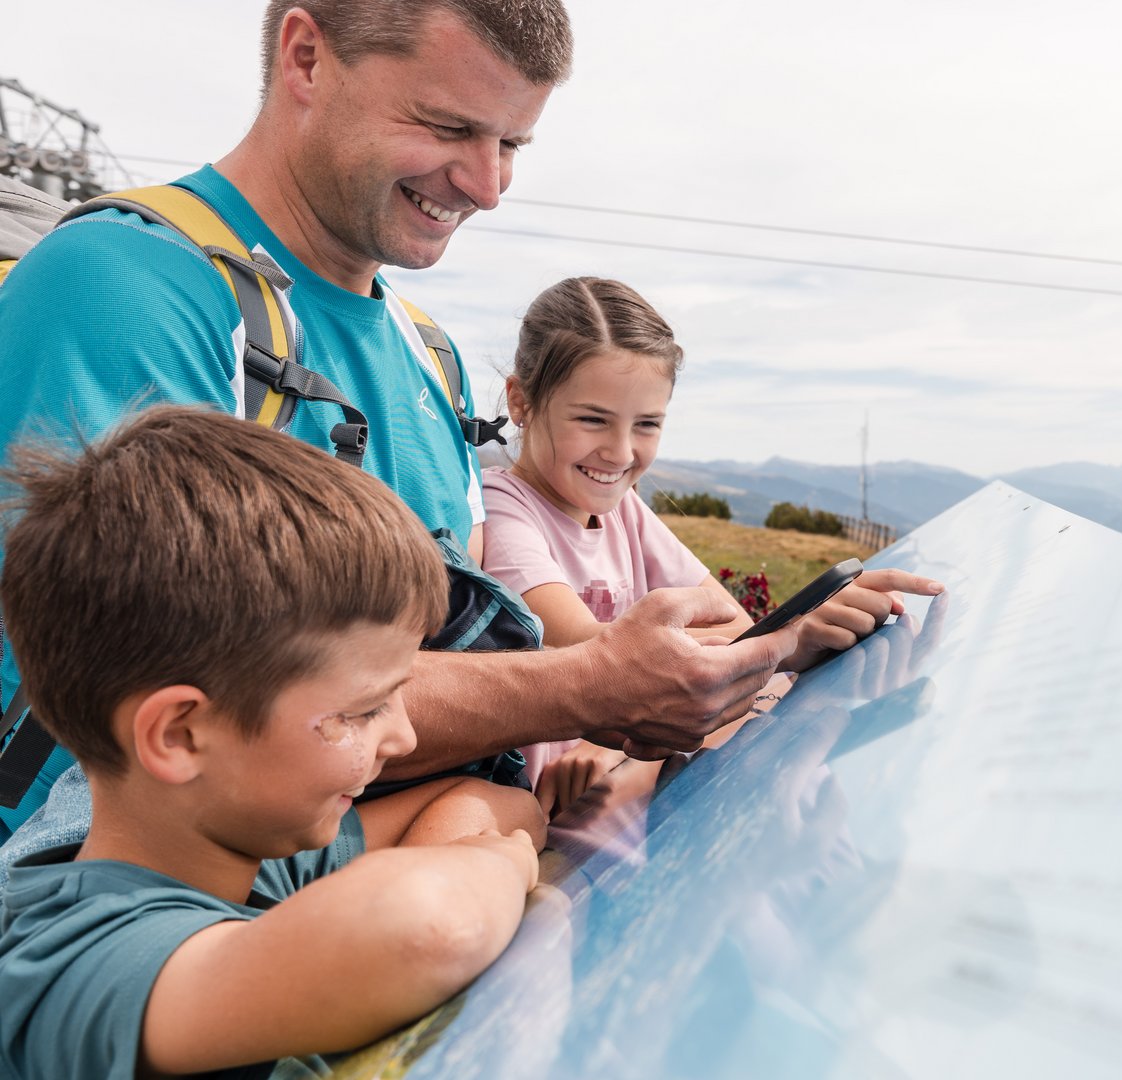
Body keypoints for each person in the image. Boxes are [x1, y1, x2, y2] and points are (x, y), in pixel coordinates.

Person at [0, 0, 918, 849]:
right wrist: (590, 687)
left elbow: (460, 662)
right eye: (447, 127)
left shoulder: (430, 358)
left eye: (511, 141)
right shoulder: (128, 290)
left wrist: (762, 650)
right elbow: (193, 694)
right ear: (307, 58)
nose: (486, 185)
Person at [0, 407, 547, 1079]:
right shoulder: (62, 961)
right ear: (180, 735)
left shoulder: (252, 858)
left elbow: (494, 804)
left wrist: (453, 865)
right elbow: (429, 930)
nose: (404, 737)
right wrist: (497, 867)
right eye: (365, 709)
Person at [479, 277, 940, 815]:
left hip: (626, 776)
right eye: (592, 419)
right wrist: (791, 638)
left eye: (646, 424)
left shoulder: (624, 510)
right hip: (549, 808)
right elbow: (596, 658)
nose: (621, 453)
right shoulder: (502, 510)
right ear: (521, 401)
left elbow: (736, 626)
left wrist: (799, 629)